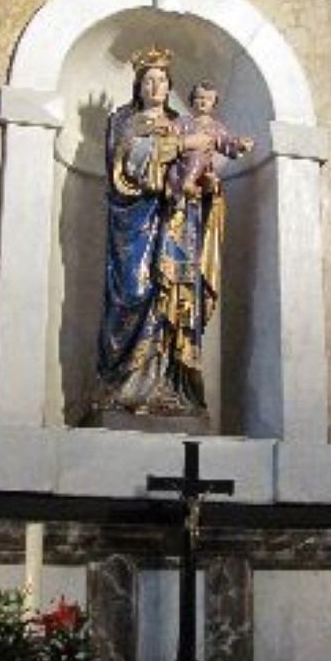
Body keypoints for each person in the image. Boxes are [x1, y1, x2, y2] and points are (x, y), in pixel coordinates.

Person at [97, 48, 233, 414]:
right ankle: (122, 386)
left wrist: (208, 187)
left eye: (162, 80)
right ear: (138, 86)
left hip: (176, 224)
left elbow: (201, 165)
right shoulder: (126, 121)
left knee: (172, 297)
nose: (156, 86)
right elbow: (126, 166)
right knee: (135, 290)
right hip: (136, 224)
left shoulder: (183, 121)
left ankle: (168, 386)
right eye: (149, 80)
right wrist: (179, 146)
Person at [165, 81, 255, 208]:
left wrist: (239, 144)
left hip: (203, 170)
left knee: (198, 155)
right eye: (200, 98)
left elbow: (226, 142)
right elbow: (170, 137)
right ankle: (181, 194)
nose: (203, 102)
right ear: (192, 100)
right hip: (181, 165)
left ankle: (189, 185)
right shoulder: (183, 121)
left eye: (208, 99)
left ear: (214, 103)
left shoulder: (216, 127)